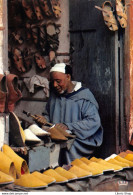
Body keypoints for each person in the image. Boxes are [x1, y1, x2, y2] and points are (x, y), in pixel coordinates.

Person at [43, 63, 103, 164]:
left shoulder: (84, 96)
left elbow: (93, 121)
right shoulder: (54, 95)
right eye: (52, 82)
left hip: (79, 140)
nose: (55, 85)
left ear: (68, 77)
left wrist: (68, 126)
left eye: (58, 81)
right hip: (56, 138)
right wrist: (44, 120)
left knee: (69, 149)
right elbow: (47, 114)